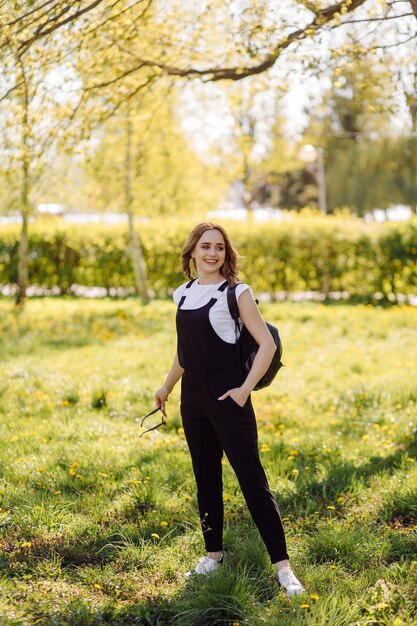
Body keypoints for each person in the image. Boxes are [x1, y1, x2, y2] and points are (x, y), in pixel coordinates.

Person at [155, 222, 304, 597]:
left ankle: (284, 568)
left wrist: (243, 389)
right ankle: (213, 555)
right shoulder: (182, 294)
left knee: (253, 482)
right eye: (204, 246)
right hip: (194, 399)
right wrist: (167, 385)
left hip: (229, 398)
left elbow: (266, 345)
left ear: (226, 254)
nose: (211, 253)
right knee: (205, 478)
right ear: (192, 252)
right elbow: (185, 352)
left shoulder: (237, 293)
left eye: (219, 248)